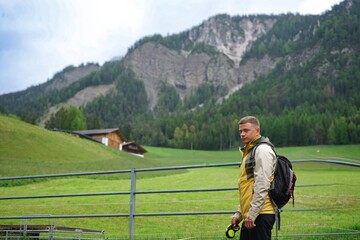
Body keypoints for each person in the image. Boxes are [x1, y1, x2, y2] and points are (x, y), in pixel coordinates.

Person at [230, 116, 277, 240]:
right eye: (240, 131)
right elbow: (248, 188)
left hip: (261, 214)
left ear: (257, 130)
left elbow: (262, 185)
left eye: (246, 130)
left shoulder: (262, 150)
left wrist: (252, 214)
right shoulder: (250, 151)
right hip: (251, 215)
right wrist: (239, 215)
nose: (242, 134)